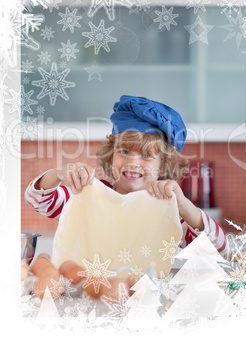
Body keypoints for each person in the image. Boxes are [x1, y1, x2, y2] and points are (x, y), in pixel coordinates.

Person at [25, 95, 227, 257]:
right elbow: (37, 199)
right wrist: (60, 173)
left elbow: (219, 251)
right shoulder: (88, 196)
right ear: (111, 155)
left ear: (163, 164)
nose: (133, 162)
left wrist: (183, 205)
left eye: (147, 155)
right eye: (124, 152)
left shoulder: (169, 209)